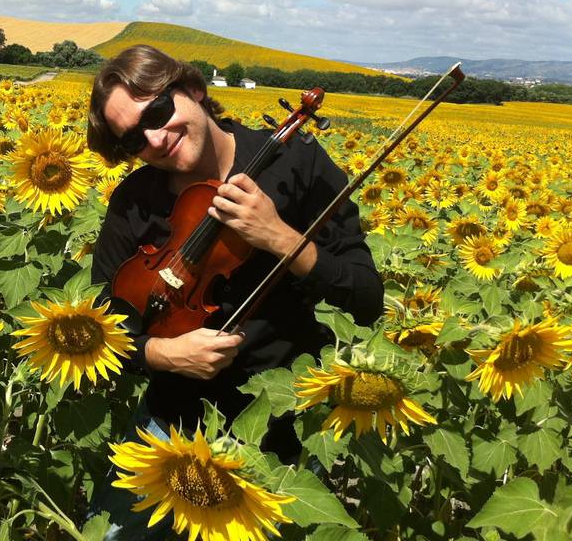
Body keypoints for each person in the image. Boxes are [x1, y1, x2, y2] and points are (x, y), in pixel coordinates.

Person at [85, 44, 383, 538]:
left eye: (158, 111)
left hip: (281, 428)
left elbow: (367, 297)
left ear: (194, 90)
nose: (156, 138)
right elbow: (102, 322)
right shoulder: (136, 202)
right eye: (135, 138)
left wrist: (283, 240)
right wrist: (161, 354)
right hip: (173, 421)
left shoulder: (297, 165)